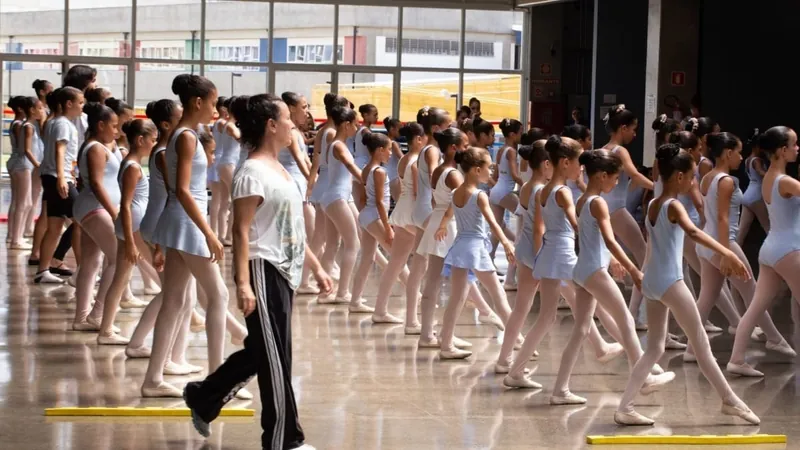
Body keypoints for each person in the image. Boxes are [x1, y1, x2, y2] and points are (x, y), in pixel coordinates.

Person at [184, 93, 331, 450]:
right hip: (262, 270)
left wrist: (315, 266)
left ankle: (205, 395)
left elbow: (290, 227)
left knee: (266, 350)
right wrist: (243, 284)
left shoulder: (280, 169)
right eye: (288, 120)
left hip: (285, 270)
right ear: (271, 125)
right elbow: (241, 230)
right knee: (276, 357)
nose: (294, 125)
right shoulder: (251, 172)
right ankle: (284, 440)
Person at [615, 143, 758, 426]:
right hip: (670, 281)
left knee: (655, 347)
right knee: (701, 346)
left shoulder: (653, 203)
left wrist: (641, 278)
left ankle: (625, 407)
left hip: (653, 282)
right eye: (691, 177)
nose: (693, 182)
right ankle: (730, 400)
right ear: (679, 177)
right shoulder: (673, 205)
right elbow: (692, 231)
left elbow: (653, 247)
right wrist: (726, 251)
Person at [143, 74, 231, 398]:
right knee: (218, 296)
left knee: (176, 300)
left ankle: (152, 380)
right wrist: (209, 232)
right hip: (186, 224)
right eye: (213, 103)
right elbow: (181, 189)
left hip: (179, 223)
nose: (216, 110)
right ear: (198, 102)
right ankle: (218, 383)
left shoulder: (185, 135)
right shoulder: (187, 137)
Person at [688, 132, 794, 362]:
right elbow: (724, 218)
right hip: (723, 243)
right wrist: (726, 252)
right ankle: (774, 338)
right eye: (737, 152)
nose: (740, 156)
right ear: (727, 153)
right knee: (752, 292)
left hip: (709, 242)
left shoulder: (708, 178)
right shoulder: (726, 181)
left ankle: (690, 349)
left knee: (707, 296)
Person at [728, 126, 800, 377]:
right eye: (794, 144)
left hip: (770, 249)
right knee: (757, 307)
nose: (797, 148)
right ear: (782, 150)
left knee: (755, 308)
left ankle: (736, 359)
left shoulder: (769, 178)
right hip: (789, 250)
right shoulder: (786, 181)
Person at [438, 146, 515, 360]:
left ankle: (446, 344)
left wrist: (442, 226)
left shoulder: (456, 193)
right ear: (475, 170)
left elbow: (448, 213)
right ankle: (517, 339)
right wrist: (507, 244)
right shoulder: (479, 195)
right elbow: (494, 223)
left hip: (460, 247)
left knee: (456, 298)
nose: (491, 172)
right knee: (498, 297)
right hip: (475, 249)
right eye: (488, 168)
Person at [97, 119, 158, 344]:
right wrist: (132, 242)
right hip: (133, 228)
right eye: (152, 140)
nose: (154, 144)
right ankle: (191, 316)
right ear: (140, 140)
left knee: (121, 279)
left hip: (131, 227)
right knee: (159, 275)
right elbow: (125, 204)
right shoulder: (132, 167)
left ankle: (106, 330)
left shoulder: (131, 164)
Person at [34, 86, 84, 284]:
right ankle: (83, 271)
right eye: (80, 102)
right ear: (68, 104)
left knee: (54, 226)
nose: (83, 106)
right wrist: (63, 177)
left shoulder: (53, 122)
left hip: (52, 176)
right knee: (82, 220)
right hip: (58, 177)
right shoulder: (63, 124)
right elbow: (60, 150)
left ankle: (43, 270)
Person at [737, 129, 770, 244]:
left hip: (747, 196)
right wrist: (773, 175)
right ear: (757, 146)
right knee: (768, 228)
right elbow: (761, 173)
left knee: (741, 231)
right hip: (757, 196)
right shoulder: (757, 160)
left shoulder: (747, 160)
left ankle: (731, 254)